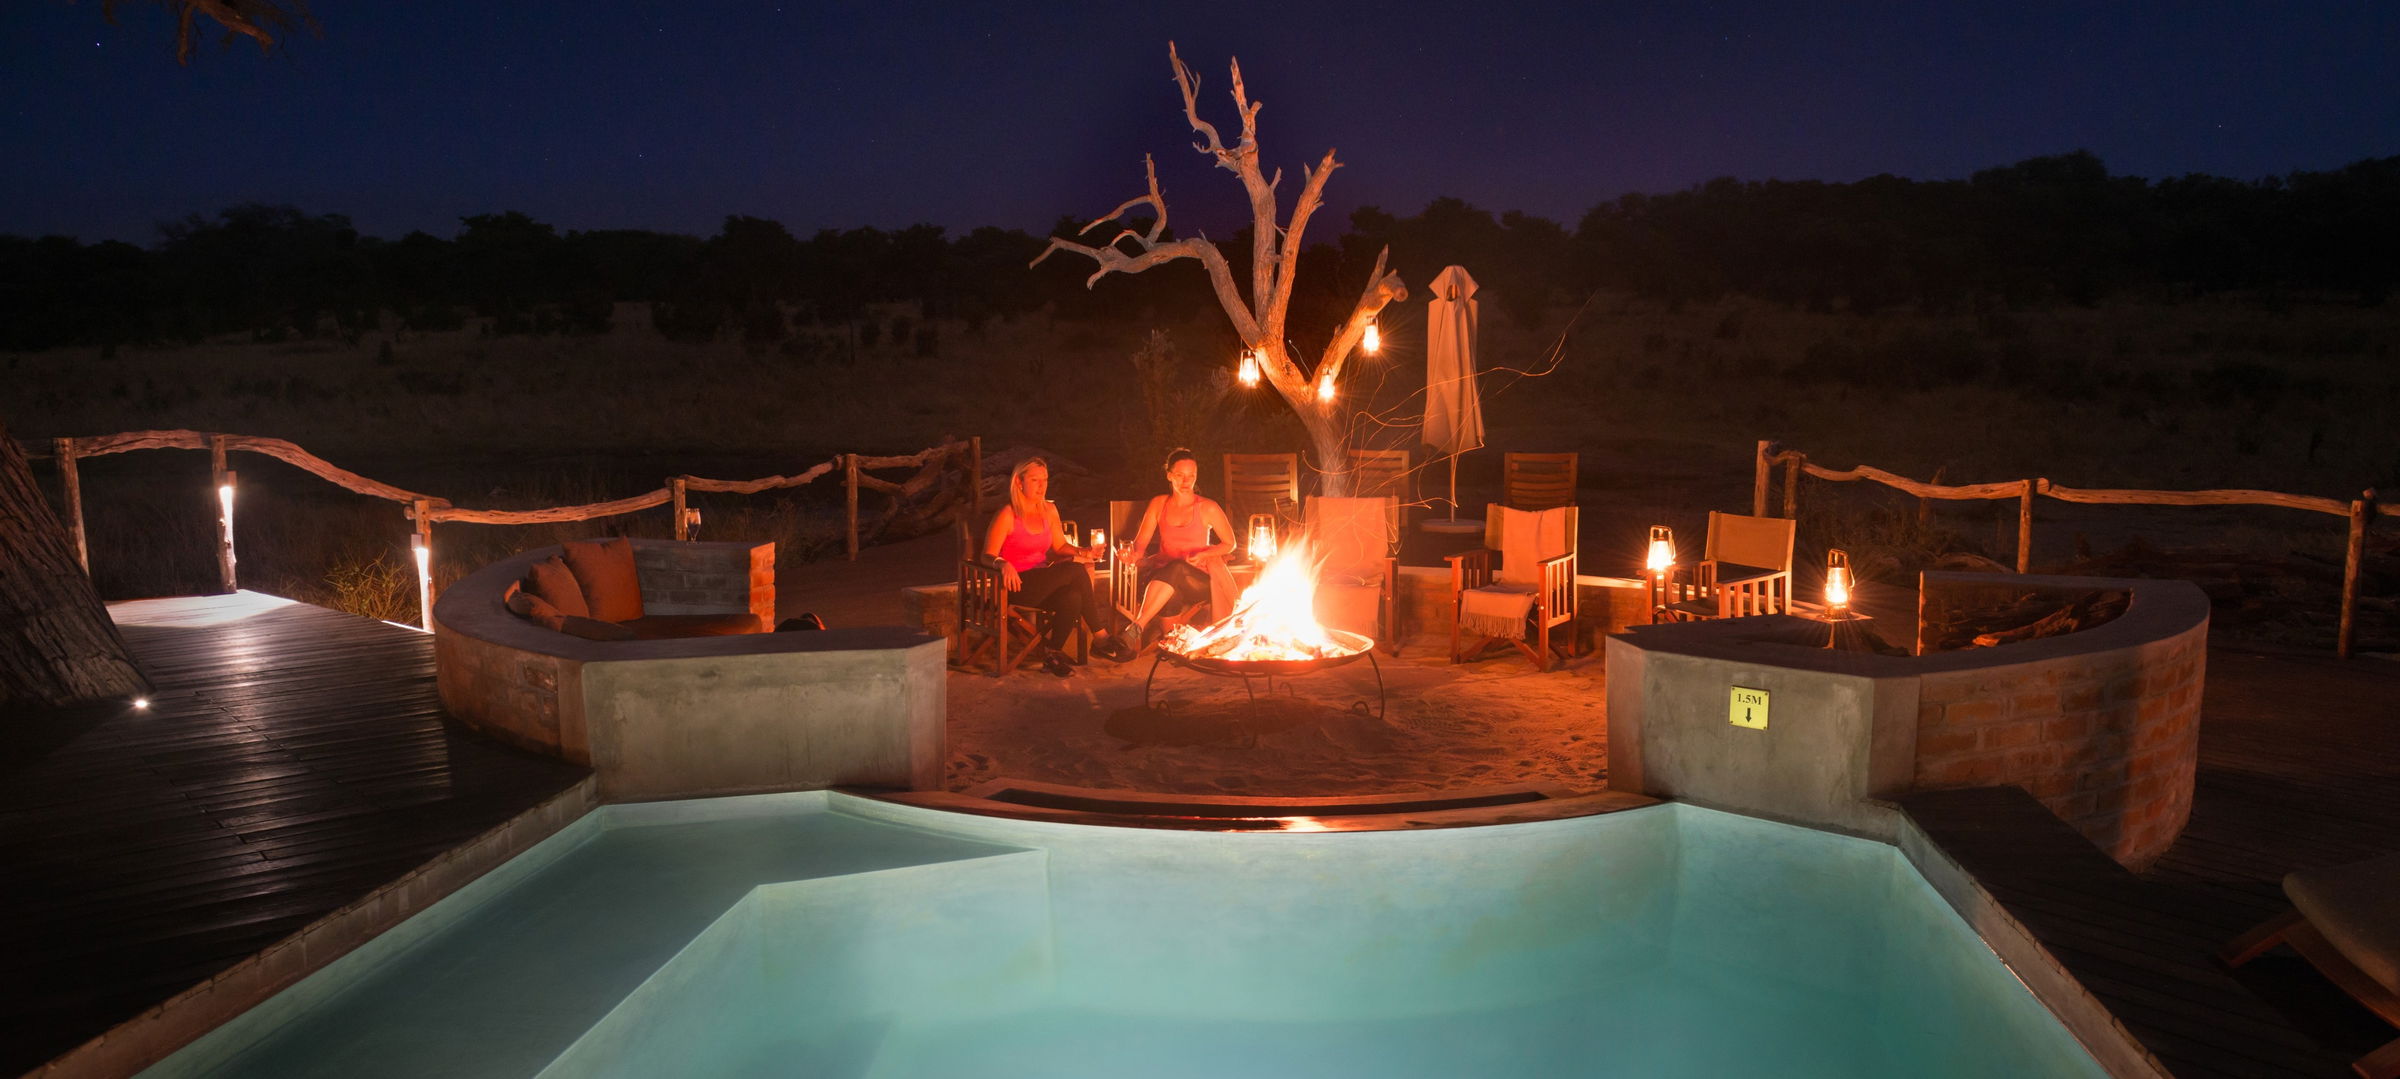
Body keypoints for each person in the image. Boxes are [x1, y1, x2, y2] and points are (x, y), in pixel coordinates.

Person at [982, 457, 1134, 673]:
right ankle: (1101, 637)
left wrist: (1085, 552)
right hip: (1015, 585)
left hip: (1043, 580)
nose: (1042, 485)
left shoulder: (1049, 510)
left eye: (1045, 479)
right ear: (1018, 482)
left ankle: (1052, 654)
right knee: (1076, 569)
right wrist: (1002, 562)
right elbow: (986, 556)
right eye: (1035, 480)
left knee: (1073, 596)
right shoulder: (1007, 515)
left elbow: (1060, 546)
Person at [1121, 447, 1239, 646]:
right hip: (1162, 577)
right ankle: (1171, 644)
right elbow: (1140, 545)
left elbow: (1230, 544)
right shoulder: (1158, 504)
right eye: (1179, 475)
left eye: (1191, 476)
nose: (1186, 482)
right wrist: (1132, 556)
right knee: (1170, 589)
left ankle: (1138, 625)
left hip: (1198, 580)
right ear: (1169, 475)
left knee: (1176, 568)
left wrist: (1205, 554)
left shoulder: (1207, 507)